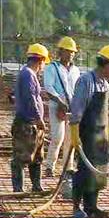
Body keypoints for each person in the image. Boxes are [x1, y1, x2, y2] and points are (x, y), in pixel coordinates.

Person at [68, 44, 109, 218]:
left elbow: (104, 114)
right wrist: (75, 134)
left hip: (101, 135)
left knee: (98, 170)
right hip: (87, 133)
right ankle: (77, 207)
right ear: (107, 64)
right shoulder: (86, 81)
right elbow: (77, 109)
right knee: (84, 170)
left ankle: (91, 207)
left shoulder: (105, 84)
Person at [11, 43, 50, 194]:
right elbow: (30, 98)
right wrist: (39, 119)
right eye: (44, 62)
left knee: (37, 157)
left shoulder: (29, 74)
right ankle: (18, 189)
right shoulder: (28, 74)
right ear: (40, 60)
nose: (43, 67)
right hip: (26, 124)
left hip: (32, 125)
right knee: (21, 157)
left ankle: (36, 186)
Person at [42, 36, 80, 177]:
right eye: (67, 51)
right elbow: (49, 87)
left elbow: (77, 89)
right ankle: (49, 166)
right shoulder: (52, 68)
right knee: (57, 137)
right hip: (56, 106)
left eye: (72, 52)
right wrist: (60, 102)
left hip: (71, 107)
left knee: (70, 139)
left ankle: (67, 167)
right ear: (61, 51)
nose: (70, 54)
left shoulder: (76, 70)